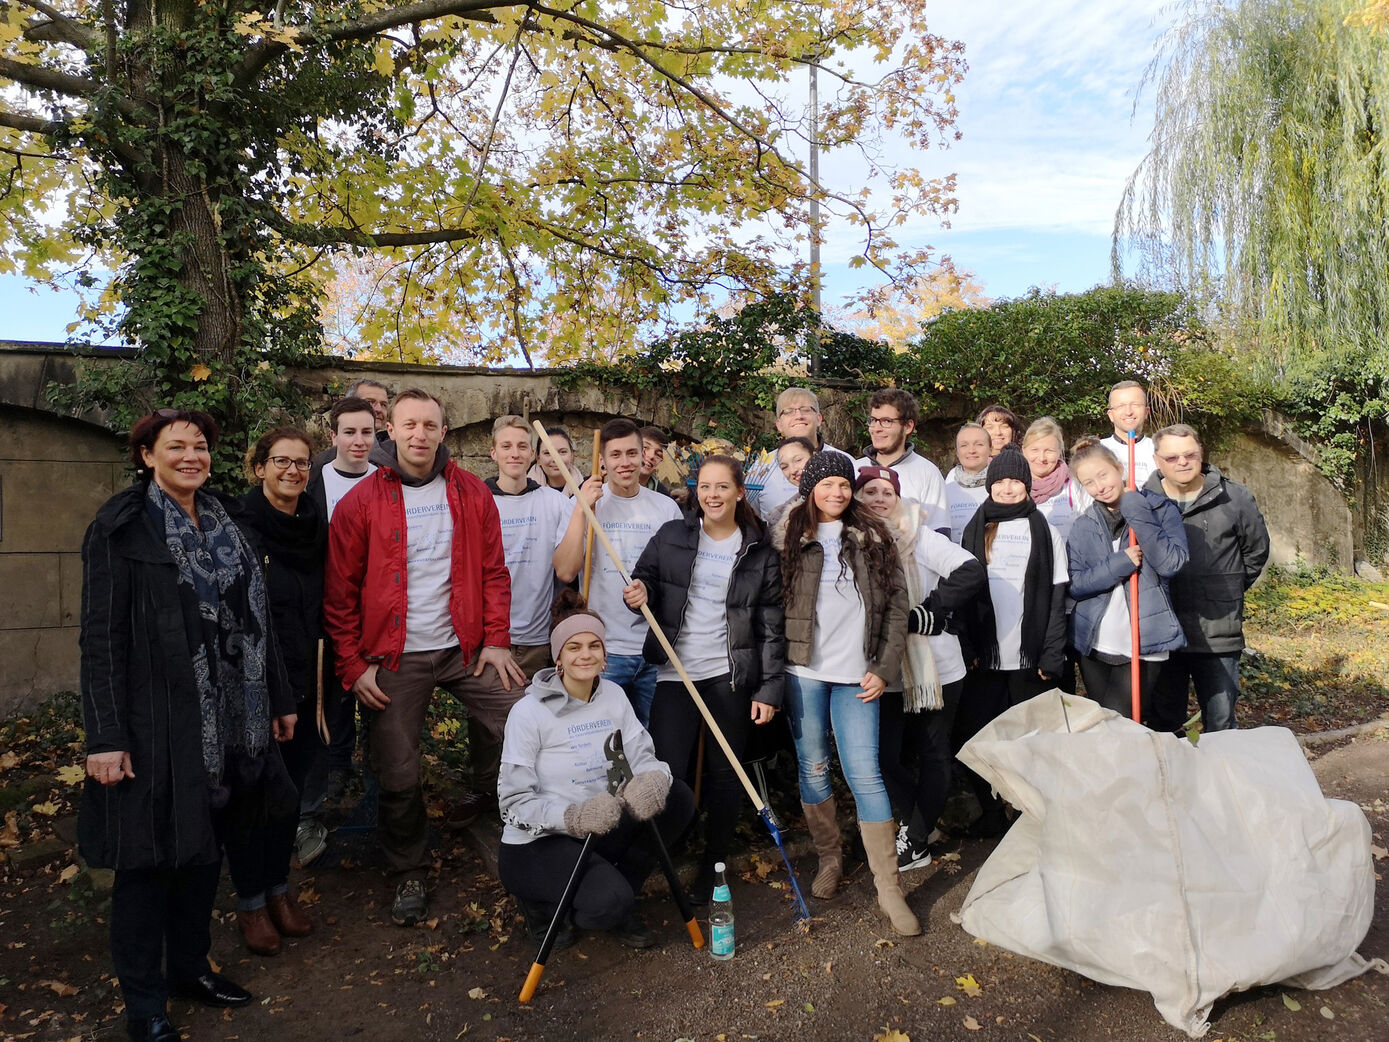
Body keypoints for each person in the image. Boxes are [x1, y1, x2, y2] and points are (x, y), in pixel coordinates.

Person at [79, 409, 293, 1042]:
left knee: (204, 851)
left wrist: (279, 697)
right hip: (155, 721)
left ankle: (190, 969)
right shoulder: (122, 527)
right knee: (147, 862)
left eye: (200, 446)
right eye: (176, 447)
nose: (192, 456)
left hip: (234, 718)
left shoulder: (230, 519)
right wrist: (106, 736)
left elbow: (259, 621)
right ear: (148, 455)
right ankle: (144, 1002)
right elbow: (101, 636)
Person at [324, 388, 526, 927]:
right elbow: (339, 593)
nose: (419, 435)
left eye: (430, 426)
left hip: (464, 649)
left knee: (528, 716)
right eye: (409, 425)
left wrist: (498, 640)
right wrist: (352, 664)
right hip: (393, 657)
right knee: (397, 766)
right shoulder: (361, 501)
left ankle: (536, 828)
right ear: (392, 430)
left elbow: (492, 572)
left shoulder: (469, 493)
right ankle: (408, 868)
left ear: (443, 433)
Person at [626, 455, 785, 901]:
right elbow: (646, 582)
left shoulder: (758, 550)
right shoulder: (672, 534)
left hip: (729, 676)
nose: (712, 495)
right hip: (675, 673)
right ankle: (652, 861)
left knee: (725, 775)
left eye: (721, 487)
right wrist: (638, 593)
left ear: (738, 492)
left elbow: (773, 627)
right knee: (667, 774)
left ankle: (713, 867)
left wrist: (770, 688)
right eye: (704, 486)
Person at [498, 593, 696, 949]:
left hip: (600, 826)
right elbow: (513, 804)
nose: (585, 654)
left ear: (605, 656)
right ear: (558, 657)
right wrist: (571, 816)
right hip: (540, 843)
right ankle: (547, 904)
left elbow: (643, 756)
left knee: (677, 798)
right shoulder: (528, 714)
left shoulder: (614, 697)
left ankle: (617, 889)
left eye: (594, 645)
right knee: (607, 904)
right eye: (573, 647)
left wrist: (653, 779)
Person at [773, 451, 918, 936]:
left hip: (860, 674)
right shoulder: (789, 535)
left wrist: (884, 666)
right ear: (809, 488)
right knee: (812, 765)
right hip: (804, 672)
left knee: (865, 773)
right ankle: (829, 858)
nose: (835, 493)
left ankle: (888, 886)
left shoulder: (874, 535)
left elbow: (898, 606)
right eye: (825, 484)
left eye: (842, 484)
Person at [856, 466, 986, 871]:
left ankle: (914, 838)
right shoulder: (853, 541)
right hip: (883, 669)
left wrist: (930, 609)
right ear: (857, 498)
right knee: (883, 756)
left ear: (899, 498)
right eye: (870, 491)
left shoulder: (918, 535)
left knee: (934, 752)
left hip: (937, 667)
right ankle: (919, 825)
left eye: (887, 492)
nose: (879, 499)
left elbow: (970, 570)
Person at [230, 427, 326, 955]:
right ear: (259, 466)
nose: (292, 471)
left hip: (309, 678)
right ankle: (250, 901)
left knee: (290, 792)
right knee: (254, 795)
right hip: (258, 686)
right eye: (281, 461)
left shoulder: (314, 525)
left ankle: (279, 889)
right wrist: (264, 691)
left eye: (301, 464)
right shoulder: (241, 529)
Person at [955, 444, 1068, 838]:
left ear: (1026, 484)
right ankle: (990, 812)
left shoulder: (1045, 531)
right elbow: (962, 596)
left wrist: (1052, 652)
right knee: (976, 738)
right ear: (989, 485)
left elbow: (1056, 597)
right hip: (984, 659)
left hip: (1028, 657)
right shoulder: (975, 528)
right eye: (999, 481)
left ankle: (1026, 815)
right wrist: (967, 647)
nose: (1006, 488)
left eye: (1014, 481)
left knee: (1027, 742)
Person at [1145, 424, 1270, 733]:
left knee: (1221, 723)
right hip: (1164, 632)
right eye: (1172, 457)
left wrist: (1228, 588)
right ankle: (1175, 783)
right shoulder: (1143, 503)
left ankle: (1222, 781)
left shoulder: (1234, 498)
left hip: (1218, 631)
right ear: (1158, 461)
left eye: (1190, 455)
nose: (1183, 462)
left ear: (1201, 455)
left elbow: (1256, 551)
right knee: (1163, 725)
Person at [301, 395, 379, 857]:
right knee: (322, 711)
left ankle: (376, 804)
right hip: (324, 620)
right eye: (349, 432)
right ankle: (311, 810)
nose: (358, 440)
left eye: (366, 432)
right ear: (333, 437)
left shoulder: (388, 482)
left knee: (379, 715)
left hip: (378, 622)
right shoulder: (312, 483)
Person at [1066, 438, 1189, 720]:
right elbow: (1075, 585)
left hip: (1143, 640)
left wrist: (1138, 512)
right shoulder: (1083, 526)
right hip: (1097, 644)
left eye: (1103, 474)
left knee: (1125, 721)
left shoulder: (1160, 510)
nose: (1099, 486)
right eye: (1089, 482)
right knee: (1109, 722)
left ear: (1119, 468)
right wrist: (1119, 563)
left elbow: (1171, 563)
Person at [575, 418, 682, 725]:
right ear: (602, 461)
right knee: (604, 743)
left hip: (653, 649)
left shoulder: (665, 509)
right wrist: (582, 508)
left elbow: (675, 580)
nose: (626, 462)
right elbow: (565, 569)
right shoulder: (589, 504)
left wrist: (651, 590)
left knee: (651, 744)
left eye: (632, 453)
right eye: (616, 455)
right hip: (604, 649)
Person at [488, 415, 585, 679]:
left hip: (539, 640)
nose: (514, 454)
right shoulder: (479, 500)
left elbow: (567, 571)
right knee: (488, 721)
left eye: (522, 447)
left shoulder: (555, 503)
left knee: (541, 716)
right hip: (490, 640)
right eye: (506, 446)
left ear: (532, 453)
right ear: (493, 452)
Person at [748, 387, 853, 519]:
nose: (799, 416)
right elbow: (751, 515)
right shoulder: (761, 468)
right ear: (779, 425)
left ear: (819, 419)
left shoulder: (843, 461)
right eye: (789, 411)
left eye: (806, 409)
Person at [854, 388, 949, 533]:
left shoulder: (927, 473)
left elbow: (940, 535)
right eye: (873, 420)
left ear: (908, 426)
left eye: (886, 421)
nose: (876, 428)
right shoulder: (854, 469)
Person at [310, 380, 391, 472]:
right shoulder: (320, 467)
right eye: (370, 402)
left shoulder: (394, 458)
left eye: (383, 404)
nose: (379, 409)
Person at [1021, 416, 1080, 540]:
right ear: (1024, 451)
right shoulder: (1012, 487)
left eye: (1049, 451)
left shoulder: (1074, 486)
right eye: (1035, 450)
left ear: (1060, 451)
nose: (1042, 458)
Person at [1099, 380, 1157, 488]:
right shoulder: (1097, 450)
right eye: (1120, 406)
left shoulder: (1159, 450)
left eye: (1135, 405)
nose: (1128, 412)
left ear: (1146, 412)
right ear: (1110, 415)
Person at [944, 423, 991, 543]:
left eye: (979, 444)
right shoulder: (945, 490)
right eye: (964, 445)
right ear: (957, 451)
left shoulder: (1002, 488)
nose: (971, 451)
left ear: (990, 448)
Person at [527, 424, 586, 496]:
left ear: (572, 456)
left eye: (563, 452)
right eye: (547, 453)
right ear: (538, 459)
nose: (555, 459)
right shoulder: (526, 493)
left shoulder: (586, 491)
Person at [638, 424, 676, 497]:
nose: (651, 456)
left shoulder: (664, 498)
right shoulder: (611, 486)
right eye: (645, 447)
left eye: (658, 454)